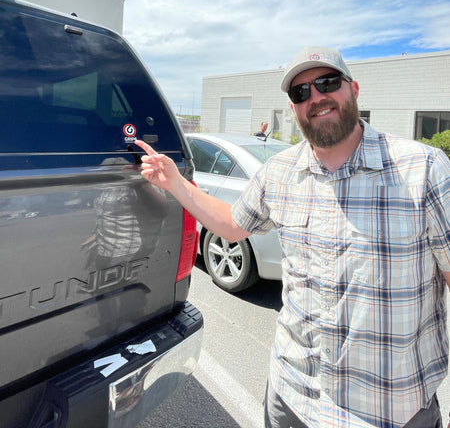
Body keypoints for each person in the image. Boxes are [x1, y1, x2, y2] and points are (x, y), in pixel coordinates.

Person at [136, 46, 450, 428]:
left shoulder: (424, 170)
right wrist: (175, 182)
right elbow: (234, 224)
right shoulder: (279, 172)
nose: (316, 97)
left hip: (390, 412)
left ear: (353, 88)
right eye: (301, 92)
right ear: (294, 107)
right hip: (292, 397)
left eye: (327, 82)